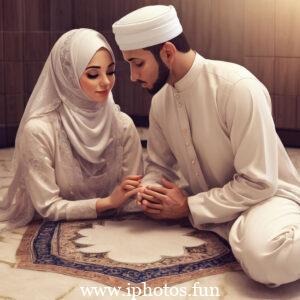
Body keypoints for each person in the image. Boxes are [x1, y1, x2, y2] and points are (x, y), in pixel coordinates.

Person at [112, 5, 300, 286]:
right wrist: (151, 190)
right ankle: (236, 231)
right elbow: (159, 166)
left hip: (267, 200)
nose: (132, 76)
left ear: (167, 52)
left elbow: (260, 183)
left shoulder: (237, 87)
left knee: (266, 258)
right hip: (216, 204)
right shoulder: (161, 102)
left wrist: (188, 205)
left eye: (137, 63)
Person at [0, 28, 143, 231]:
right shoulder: (40, 131)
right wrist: (108, 203)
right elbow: (48, 207)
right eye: (93, 74)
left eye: (110, 72)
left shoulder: (123, 125)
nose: (106, 82)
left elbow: (133, 195)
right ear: (68, 77)